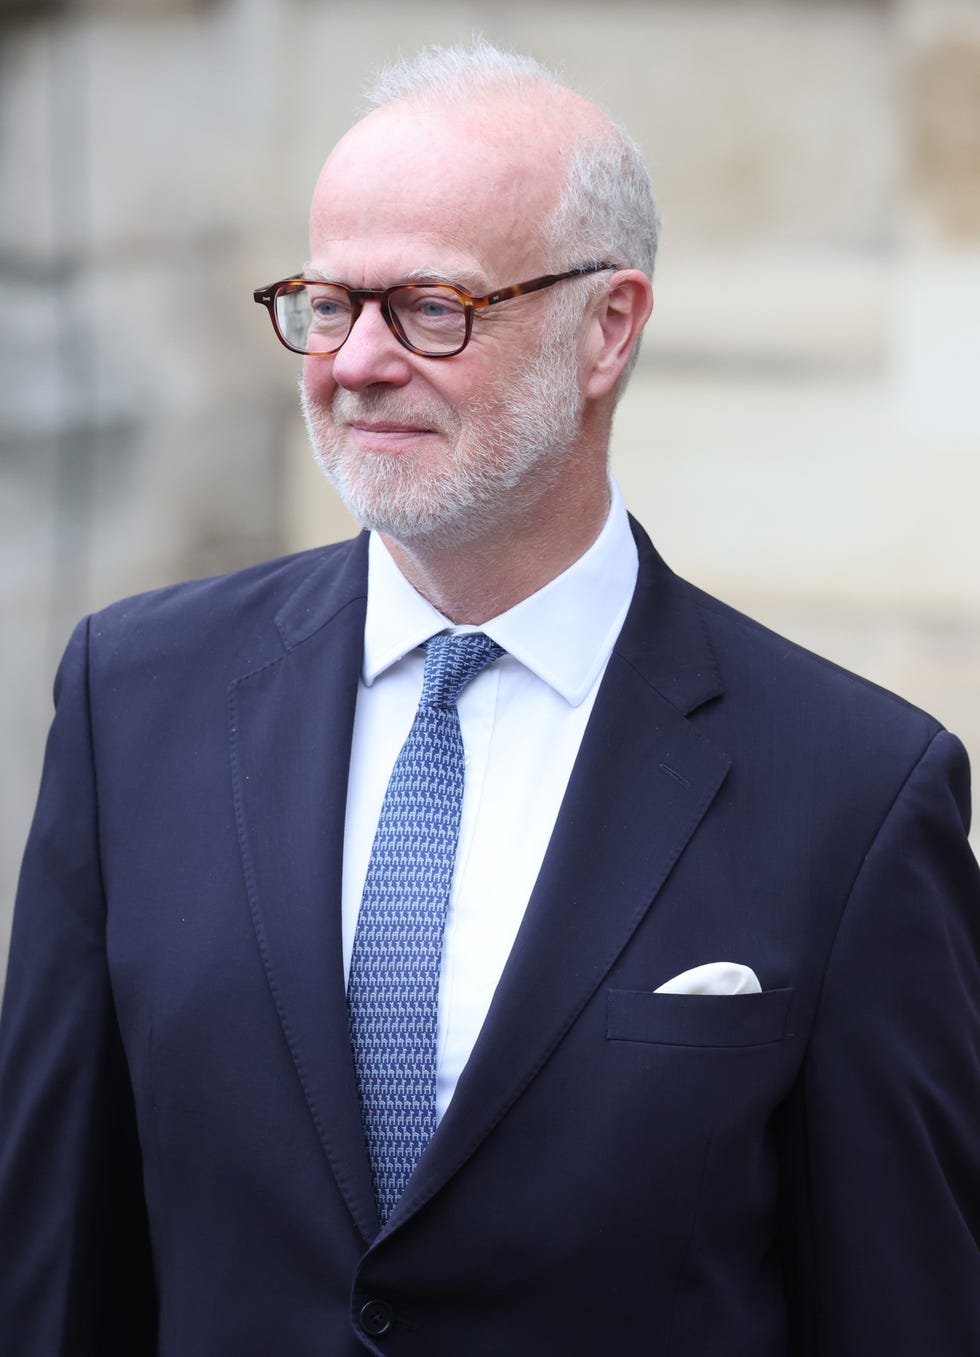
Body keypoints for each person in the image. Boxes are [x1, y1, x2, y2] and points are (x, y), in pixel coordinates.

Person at [0, 41, 978, 1357]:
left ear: (608, 328)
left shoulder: (857, 790)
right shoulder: (133, 703)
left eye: (430, 308)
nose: (356, 361)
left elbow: (903, 1309)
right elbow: (55, 1268)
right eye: (327, 302)